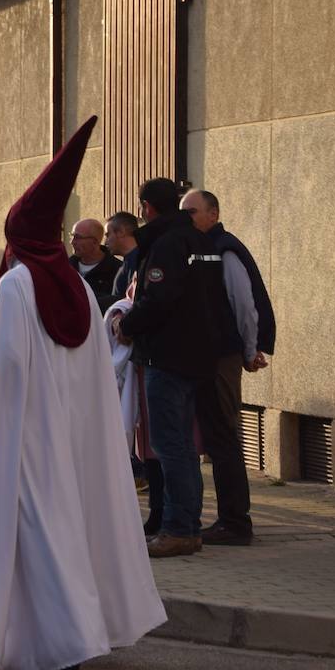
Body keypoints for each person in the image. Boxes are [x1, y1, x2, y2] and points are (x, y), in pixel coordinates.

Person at [0, 117, 166, 670]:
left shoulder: (19, 287)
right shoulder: (76, 286)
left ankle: (56, 645)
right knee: (67, 532)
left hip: (29, 437)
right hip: (73, 437)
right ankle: (66, 641)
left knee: (41, 539)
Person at [114, 178, 223, 558]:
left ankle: (178, 529)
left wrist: (126, 325)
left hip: (169, 356)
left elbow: (158, 298)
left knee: (170, 445)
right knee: (182, 448)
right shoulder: (199, 240)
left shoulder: (166, 244)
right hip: (196, 355)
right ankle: (187, 528)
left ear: (146, 207)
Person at [180, 189, 275, 546]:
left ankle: (235, 522)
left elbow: (244, 305)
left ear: (214, 214)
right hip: (208, 355)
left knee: (223, 436)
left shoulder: (225, 249)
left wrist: (250, 350)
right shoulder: (200, 249)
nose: (186, 217)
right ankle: (229, 519)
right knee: (217, 436)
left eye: (192, 211)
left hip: (223, 355)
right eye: (182, 212)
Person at [69, 219, 121, 305]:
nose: (72, 242)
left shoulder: (117, 270)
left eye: (78, 237)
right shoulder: (65, 268)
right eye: (72, 236)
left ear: (95, 242)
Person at [104, 211, 141, 307]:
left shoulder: (139, 262)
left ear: (121, 232)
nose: (105, 242)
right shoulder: (127, 262)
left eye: (108, 235)